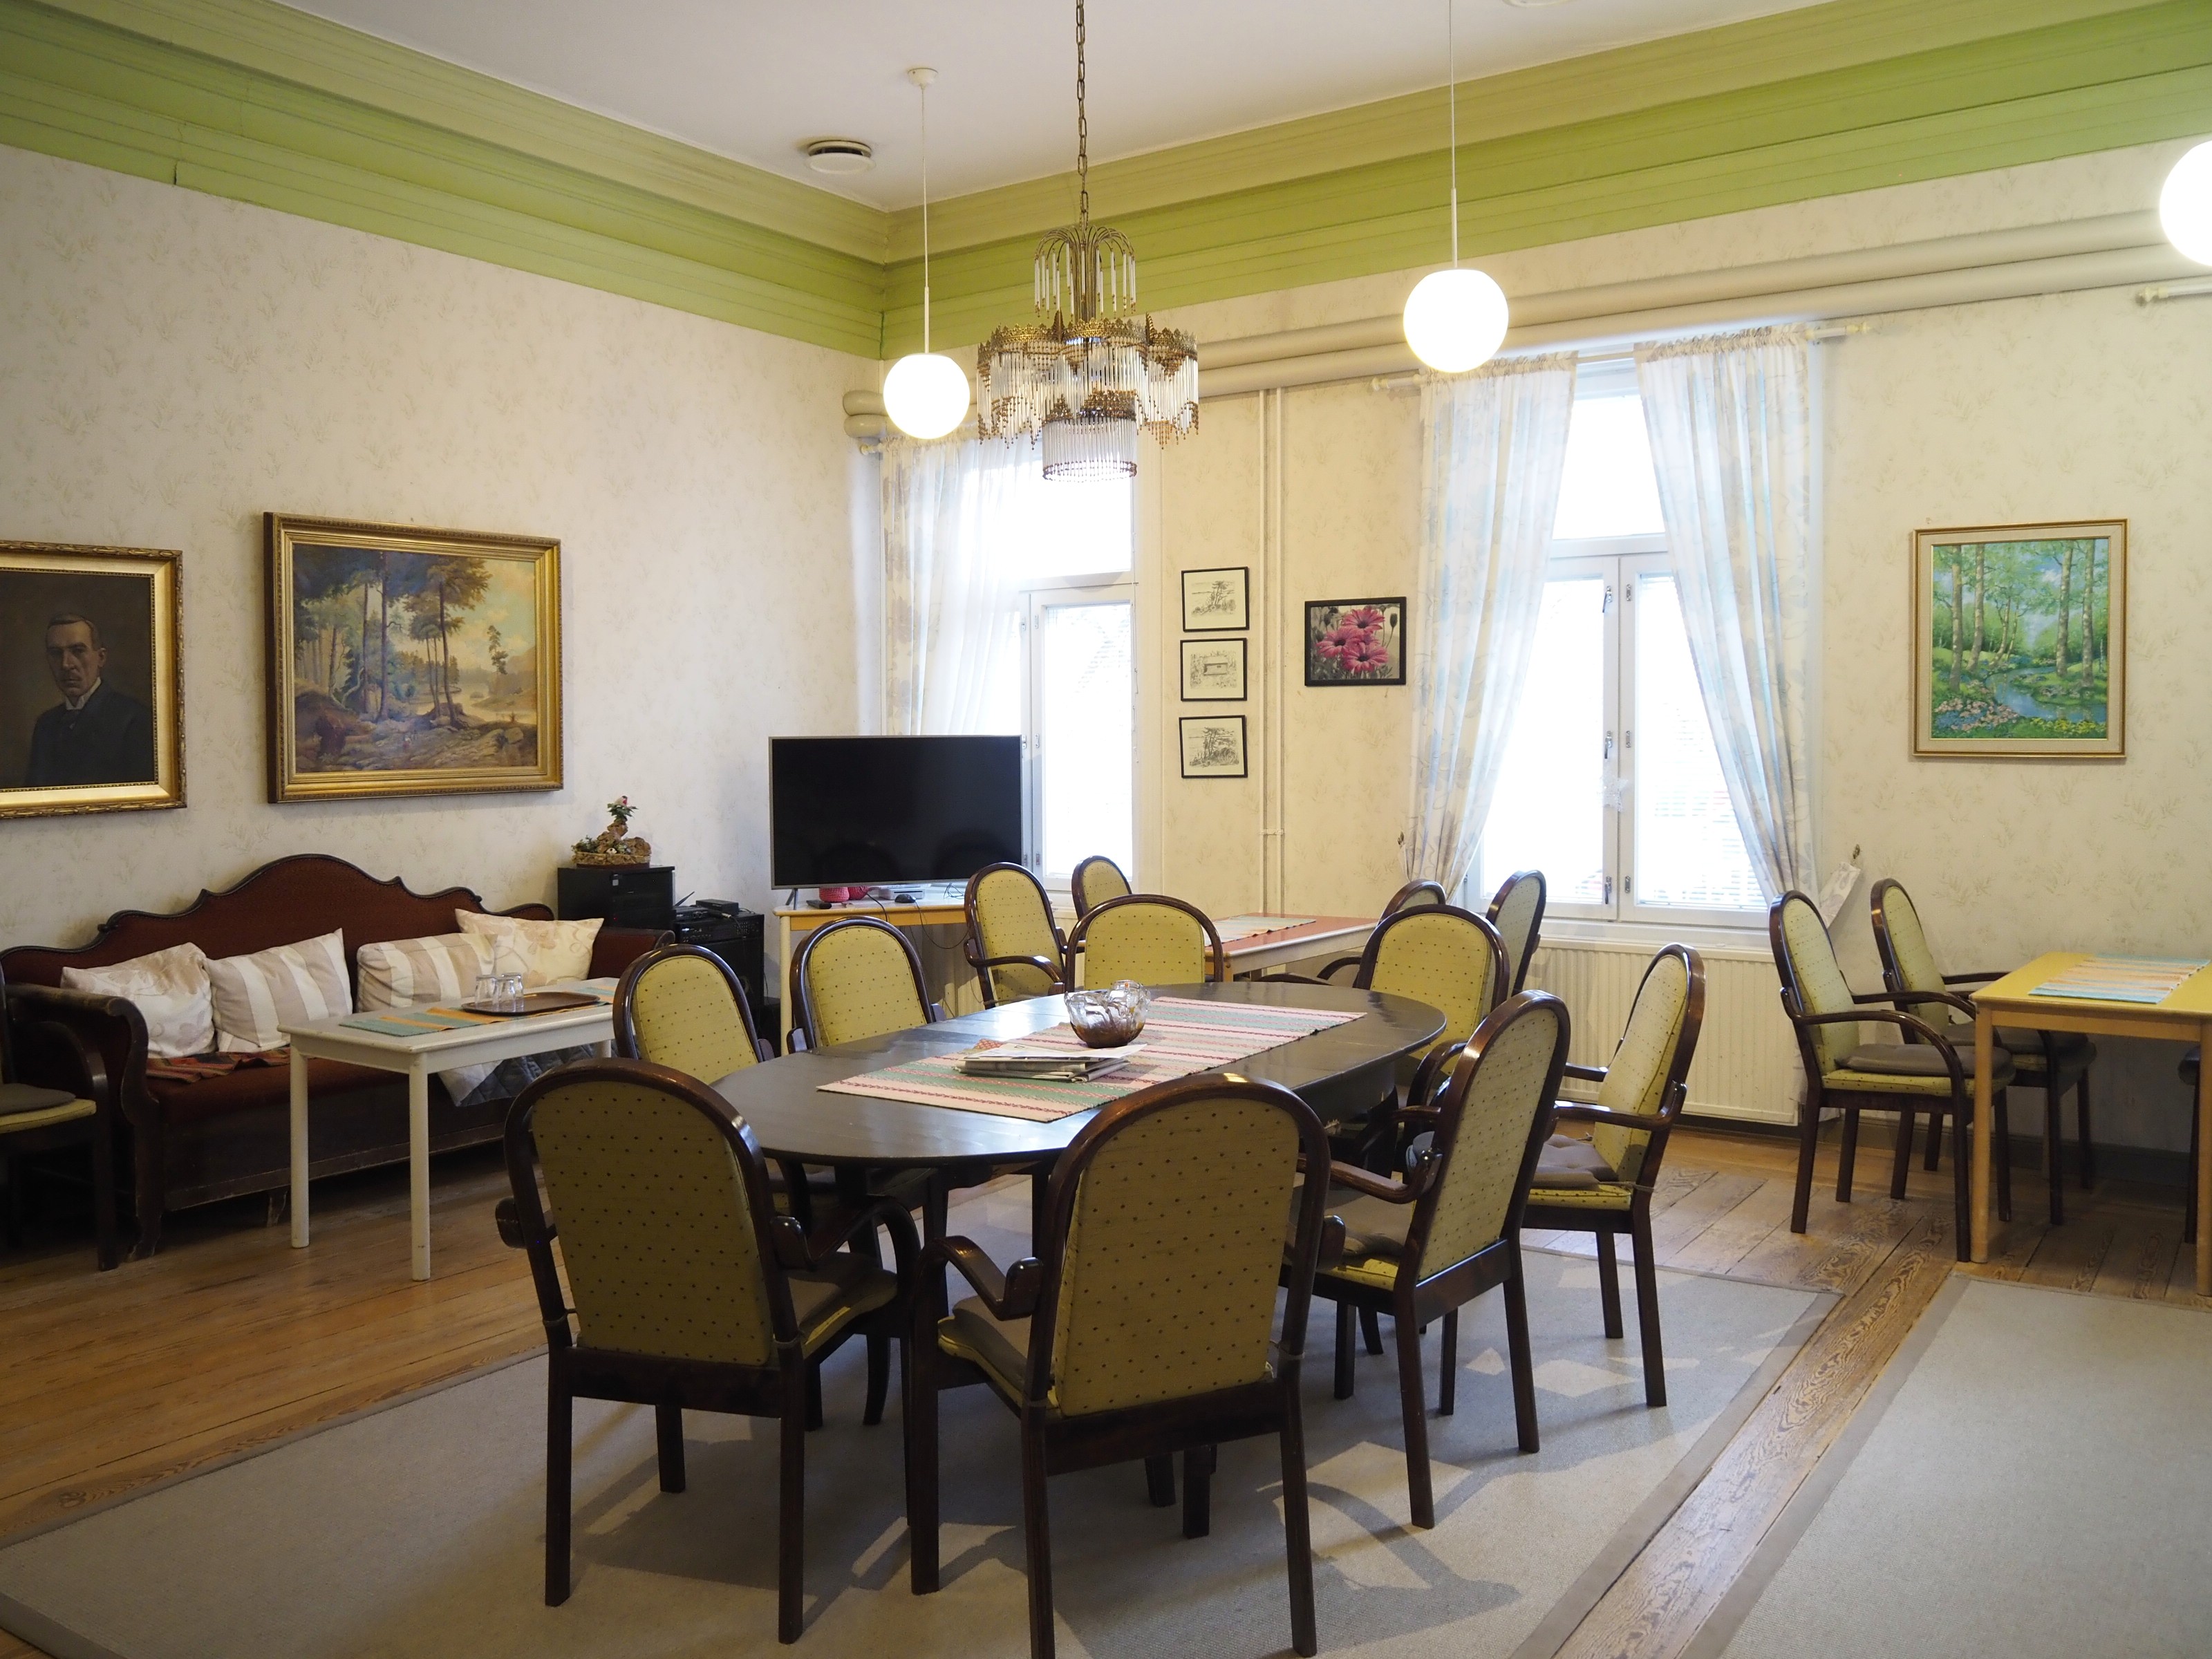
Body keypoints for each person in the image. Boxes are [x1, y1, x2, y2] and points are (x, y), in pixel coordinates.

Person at [24, 612, 156, 787]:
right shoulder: (46, 724)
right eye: (56, 653)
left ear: (101, 658)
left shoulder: (134, 720)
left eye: (78, 651)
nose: (66, 664)